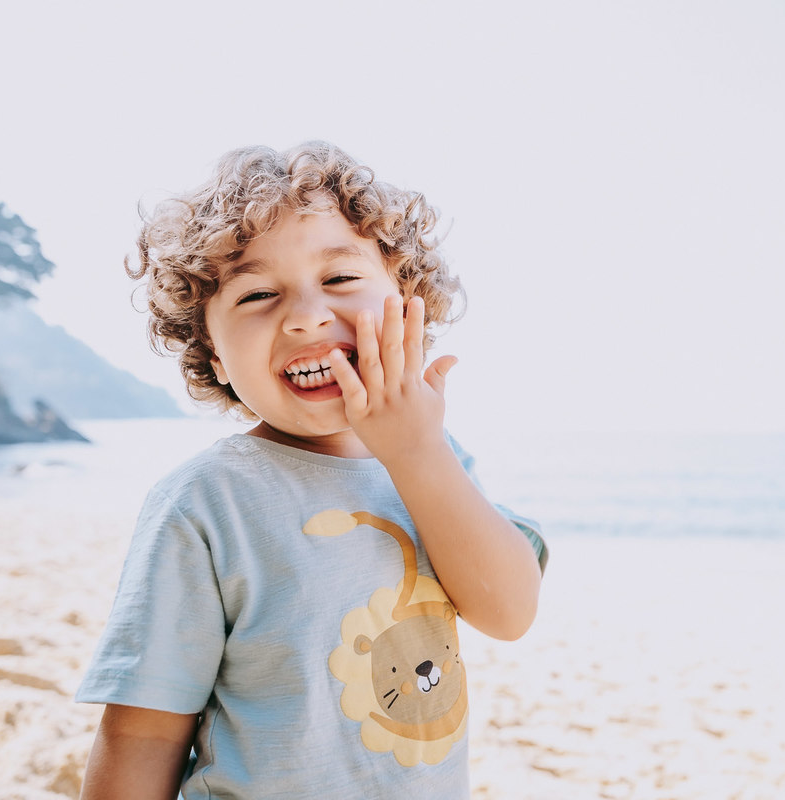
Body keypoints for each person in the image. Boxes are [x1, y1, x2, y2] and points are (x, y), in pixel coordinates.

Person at [76, 142, 547, 799]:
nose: (306, 316)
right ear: (212, 354)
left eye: (341, 279)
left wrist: (415, 451)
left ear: (409, 302)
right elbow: (144, 732)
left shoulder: (440, 459)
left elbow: (508, 610)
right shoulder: (208, 501)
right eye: (259, 294)